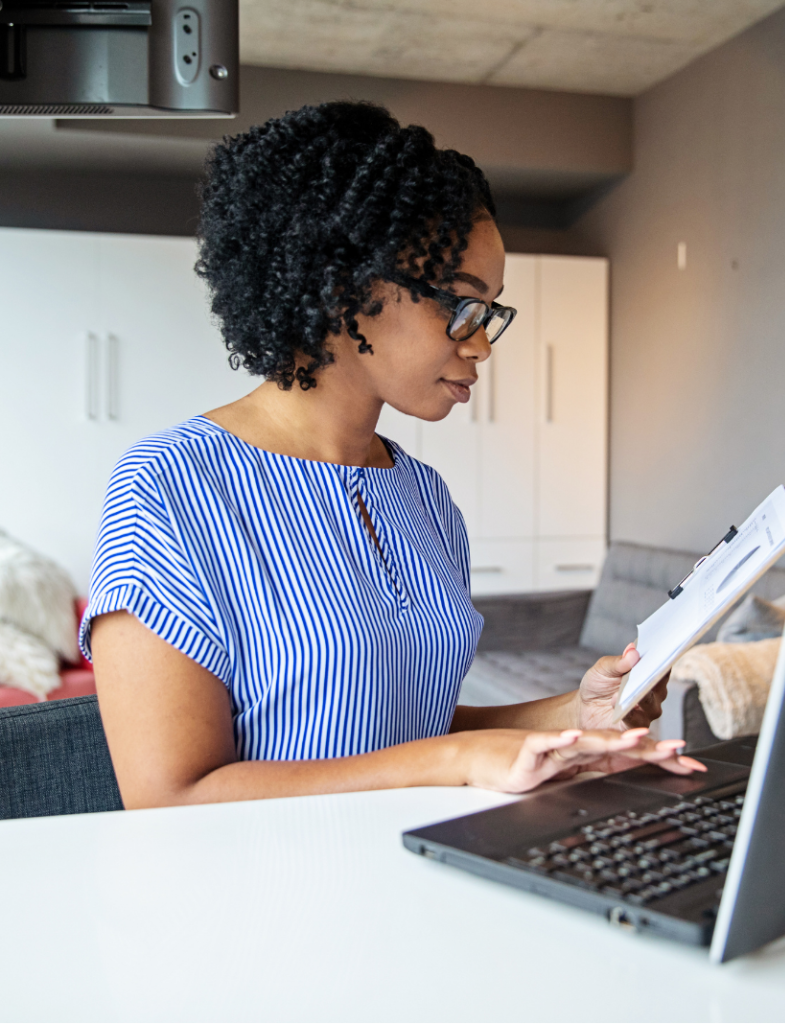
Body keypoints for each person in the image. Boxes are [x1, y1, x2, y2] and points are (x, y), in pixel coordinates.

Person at [84, 101, 705, 810]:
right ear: (345, 284)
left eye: (491, 312)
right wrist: (461, 759)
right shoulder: (169, 487)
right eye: (462, 306)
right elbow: (168, 797)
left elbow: (407, 735)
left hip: (422, 866)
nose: (482, 343)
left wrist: (574, 716)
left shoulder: (425, 498)